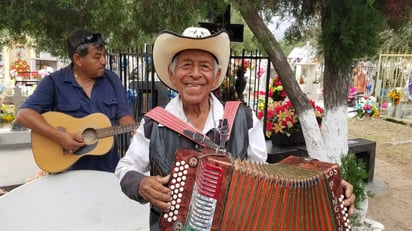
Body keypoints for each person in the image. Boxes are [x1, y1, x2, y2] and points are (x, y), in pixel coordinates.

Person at [115, 27, 355, 230]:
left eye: (205, 67)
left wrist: (327, 189)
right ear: (172, 73)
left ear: (216, 75)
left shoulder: (243, 118)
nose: (195, 74)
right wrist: (141, 185)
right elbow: (125, 168)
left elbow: (269, 178)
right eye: (186, 65)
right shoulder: (155, 123)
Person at [15, 30, 135, 172]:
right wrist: (60, 137)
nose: (103, 61)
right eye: (97, 57)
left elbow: (124, 116)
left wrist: (136, 129)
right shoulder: (54, 82)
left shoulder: (112, 80)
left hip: (107, 171)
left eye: (104, 55)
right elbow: (23, 115)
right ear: (78, 59)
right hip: (67, 172)